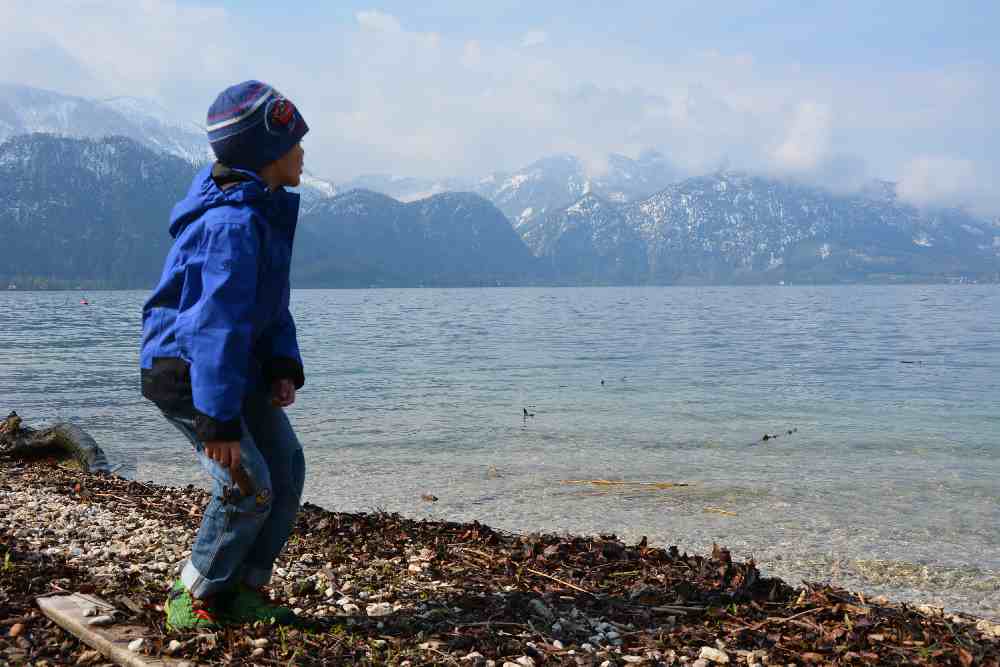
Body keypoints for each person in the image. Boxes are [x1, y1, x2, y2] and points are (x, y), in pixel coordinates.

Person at [139, 81, 308, 630]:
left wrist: (281, 365)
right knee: (246, 485)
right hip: (191, 376)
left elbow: (267, 308)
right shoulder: (230, 226)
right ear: (265, 153)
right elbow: (214, 328)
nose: (303, 152)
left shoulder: (261, 213)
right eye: (294, 142)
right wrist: (218, 421)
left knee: (285, 471)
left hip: (235, 370)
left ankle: (240, 588)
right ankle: (192, 592)